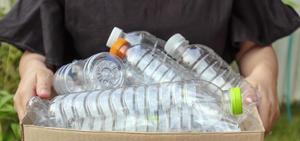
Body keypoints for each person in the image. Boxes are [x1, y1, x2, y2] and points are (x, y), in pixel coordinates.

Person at [0, 0, 299, 133]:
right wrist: (33, 70)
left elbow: (255, 45)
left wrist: (263, 75)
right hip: (92, 130)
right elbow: (37, 46)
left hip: (201, 135)